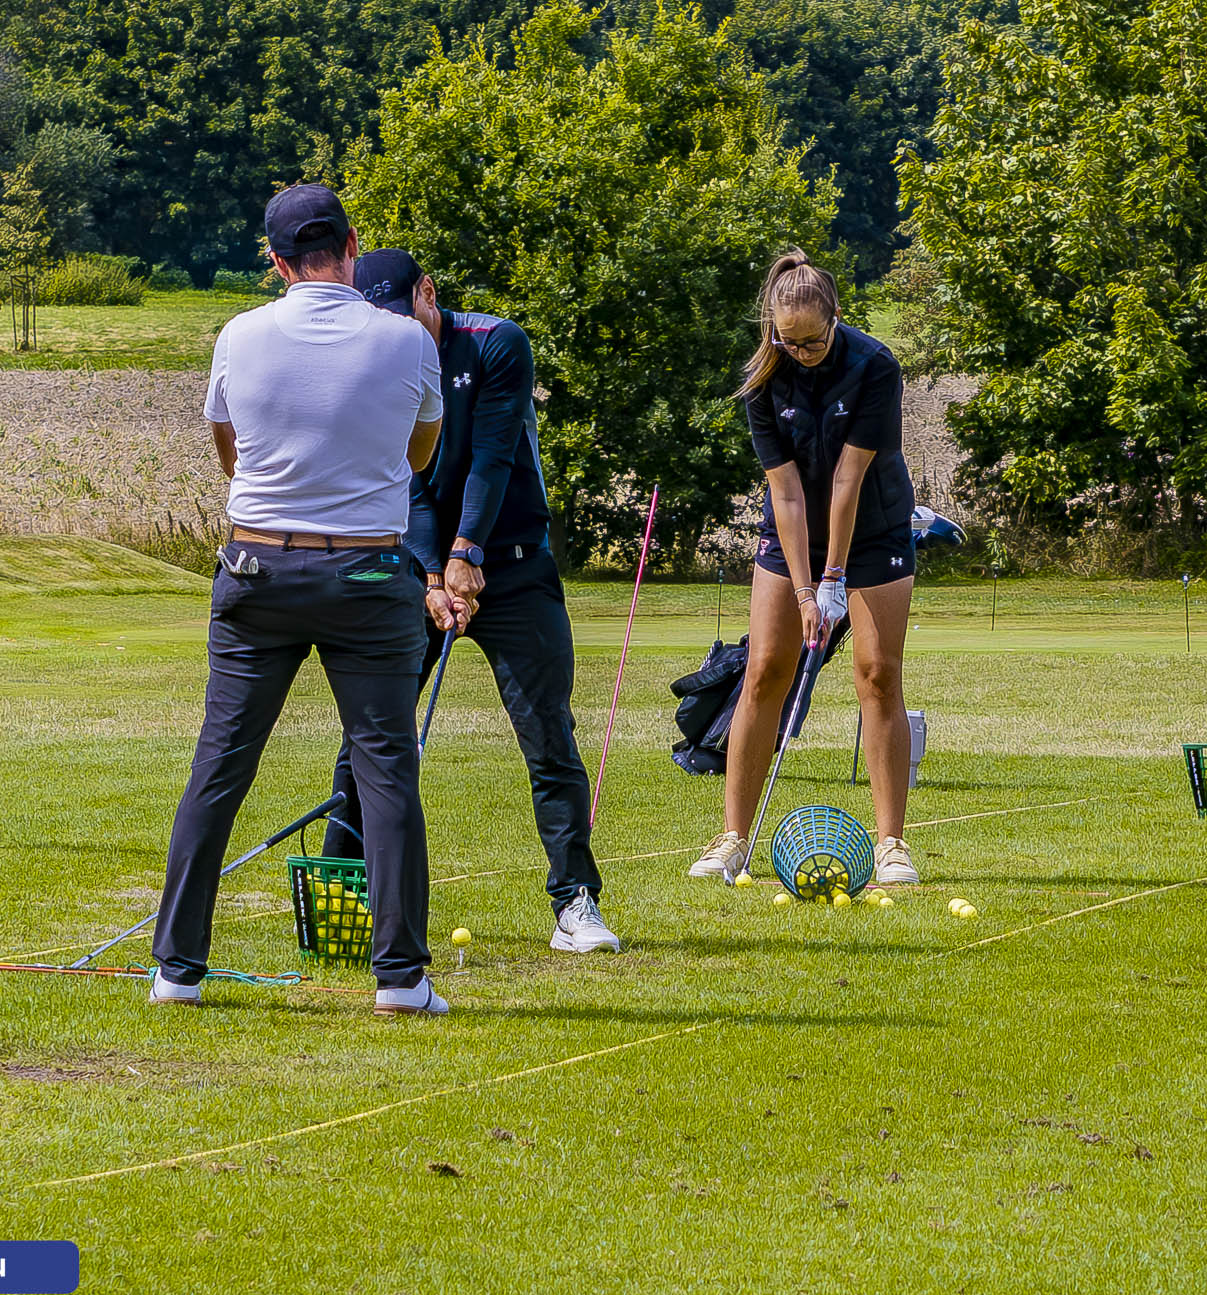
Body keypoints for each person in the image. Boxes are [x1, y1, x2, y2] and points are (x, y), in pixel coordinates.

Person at [151, 186, 453, 1016]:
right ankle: (400, 978)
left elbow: (230, 455)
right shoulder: (406, 340)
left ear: (275, 261)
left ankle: (177, 968)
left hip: (256, 569)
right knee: (385, 767)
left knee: (220, 765)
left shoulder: (238, 334)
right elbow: (420, 455)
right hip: (365, 577)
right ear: (352, 245)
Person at [324, 248, 617, 953]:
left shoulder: (496, 344)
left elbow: (491, 456)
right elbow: (406, 478)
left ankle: (575, 903)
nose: (395, 331)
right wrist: (432, 574)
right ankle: (338, 891)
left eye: (404, 316)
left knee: (549, 737)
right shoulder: (379, 360)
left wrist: (466, 556)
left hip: (513, 566)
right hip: (422, 570)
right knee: (371, 732)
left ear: (429, 292)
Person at [688, 249, 921, 886]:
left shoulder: (874, 365)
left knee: (877, 674)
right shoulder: (764, 378)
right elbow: (785, 493)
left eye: (812, 341)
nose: (800, 352)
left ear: (837, 318)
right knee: (765, 670)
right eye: (786, 342)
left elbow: (848, 480)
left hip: (872, 530)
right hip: (789, 536)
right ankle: (734, 836)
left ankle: (892, 845)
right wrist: (803, 591)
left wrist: (835, 580)